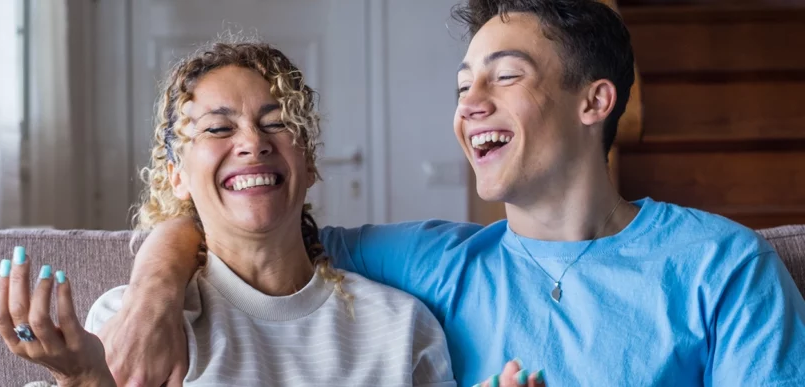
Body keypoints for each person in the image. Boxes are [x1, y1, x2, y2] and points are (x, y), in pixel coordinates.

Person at [94, 1, 805, 386]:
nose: (469, 104)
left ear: (594, 101)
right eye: (463, 85)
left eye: (504, 76)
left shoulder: (724, 267)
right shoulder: (432, 263)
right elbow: (256, 227)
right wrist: (154, 290)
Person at [0, 40, 461, 386]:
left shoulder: (401, 327)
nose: (253, 143)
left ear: (308, 161)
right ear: (177, 175)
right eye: (216, 129)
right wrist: (86, 380)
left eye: (275, 123)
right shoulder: (132, 322)